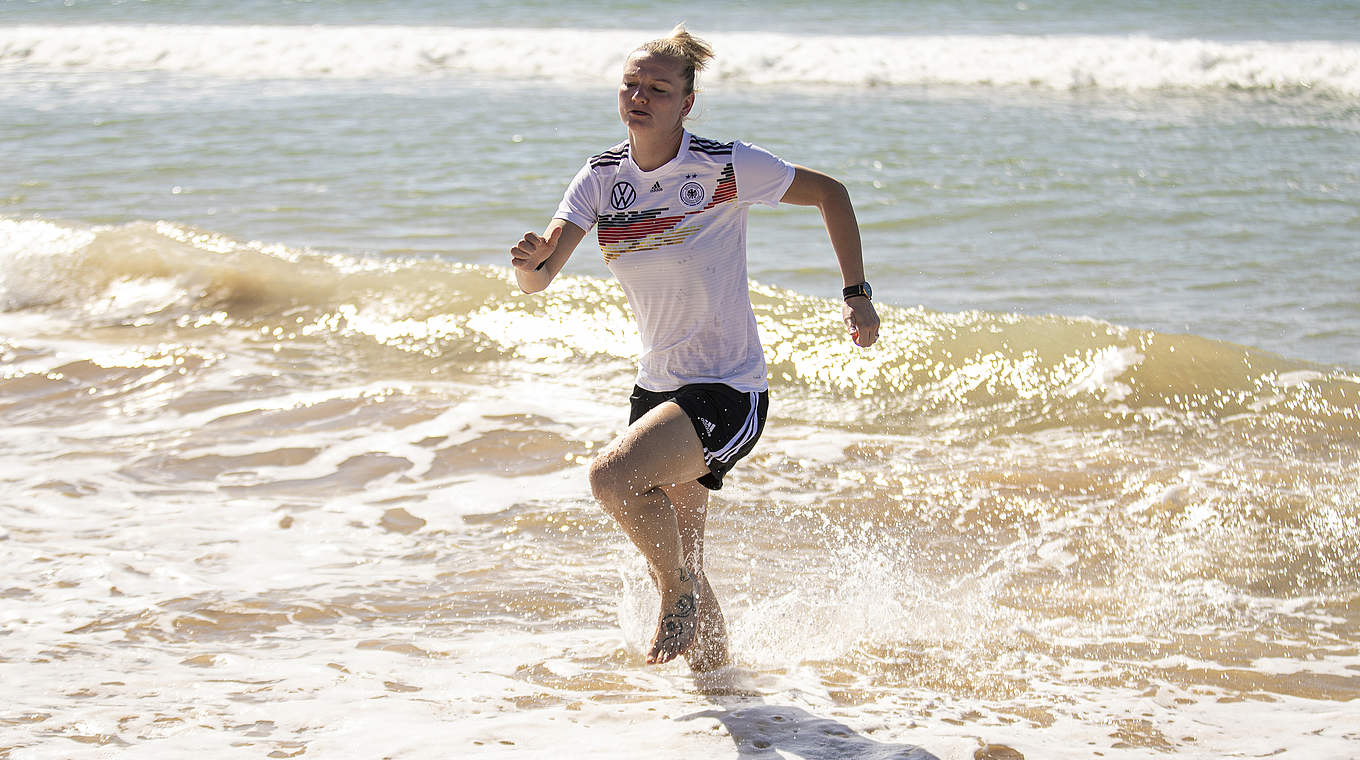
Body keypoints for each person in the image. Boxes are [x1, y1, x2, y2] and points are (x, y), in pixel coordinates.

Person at [509, 25, 879, 671]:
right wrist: (527, 263)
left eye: (657, 88)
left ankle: (674, 593)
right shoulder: (601, 178)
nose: (639, 97)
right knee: (686, 558)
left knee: (612, 480)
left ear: (687, 102)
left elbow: (832, 194)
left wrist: (856, 292)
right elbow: (539, 279)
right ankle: (727, 696)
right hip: (657, 387)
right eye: (631, 84)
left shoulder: (723, 166)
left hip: (729, 387)